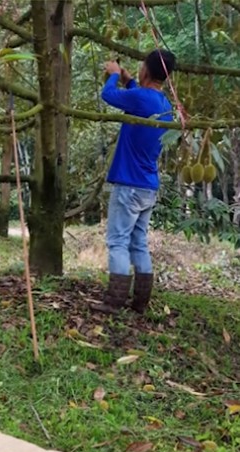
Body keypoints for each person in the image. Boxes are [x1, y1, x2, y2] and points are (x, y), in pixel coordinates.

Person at [91, 49, 176, 315]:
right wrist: (128, 80)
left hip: (128, 185)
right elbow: (139, 98)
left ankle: (114, 301)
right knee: (138, 241)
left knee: (117, 240)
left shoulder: (140, 98)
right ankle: (140, 301)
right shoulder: (165, 106)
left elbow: (108, 95)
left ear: (147, 71)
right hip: (148, 186)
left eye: (140, 67)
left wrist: (114, 75)